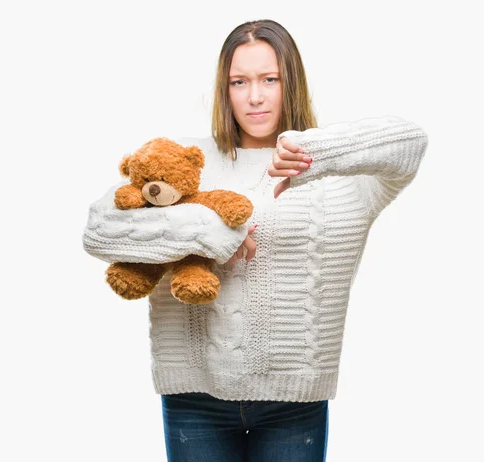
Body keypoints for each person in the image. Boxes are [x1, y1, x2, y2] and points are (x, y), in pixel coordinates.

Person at [85, 18, 428, 462]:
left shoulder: (346, 179)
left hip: (294, 405)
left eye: (270, 79)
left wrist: (315, 152)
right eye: (239, 81)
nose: (255, 96)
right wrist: (214, 230)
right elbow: (99, 230)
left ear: (292, 83)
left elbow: (412, 143)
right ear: (224, 89)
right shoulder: (185, 161)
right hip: (194, 400)